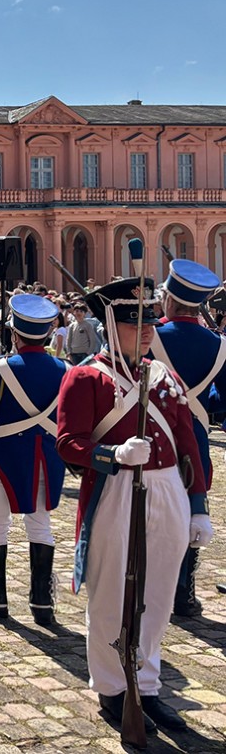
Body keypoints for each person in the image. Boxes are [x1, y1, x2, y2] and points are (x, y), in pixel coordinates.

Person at [56, 266, 210, 735]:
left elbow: (188, 440)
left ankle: (146, 683)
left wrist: (199, 502)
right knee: (112, 594)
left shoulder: (162, 375)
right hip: (116, 491)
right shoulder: (86, 378)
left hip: (166, 490)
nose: (145, 332)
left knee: (159, 594)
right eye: (133, 323)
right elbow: (68, 443)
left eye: (149, 322)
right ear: (111, 326)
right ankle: (111, 686)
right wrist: (112, 454)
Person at [0, 294, 69, 625]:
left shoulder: (2, 368)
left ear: (15, 334)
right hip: (46, 456)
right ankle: (42, 601)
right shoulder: (64, 369)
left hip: (5, 455)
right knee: (40, 523)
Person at [148, 259, 225, 617]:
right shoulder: (219, 346)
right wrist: (202, 403)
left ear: (168, 298)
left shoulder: (151, 337)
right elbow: (222, 402)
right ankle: (183, 591)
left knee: (147, 511)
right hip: (195, 436)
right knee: (192, 509)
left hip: (153, 435)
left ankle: (148, 587)